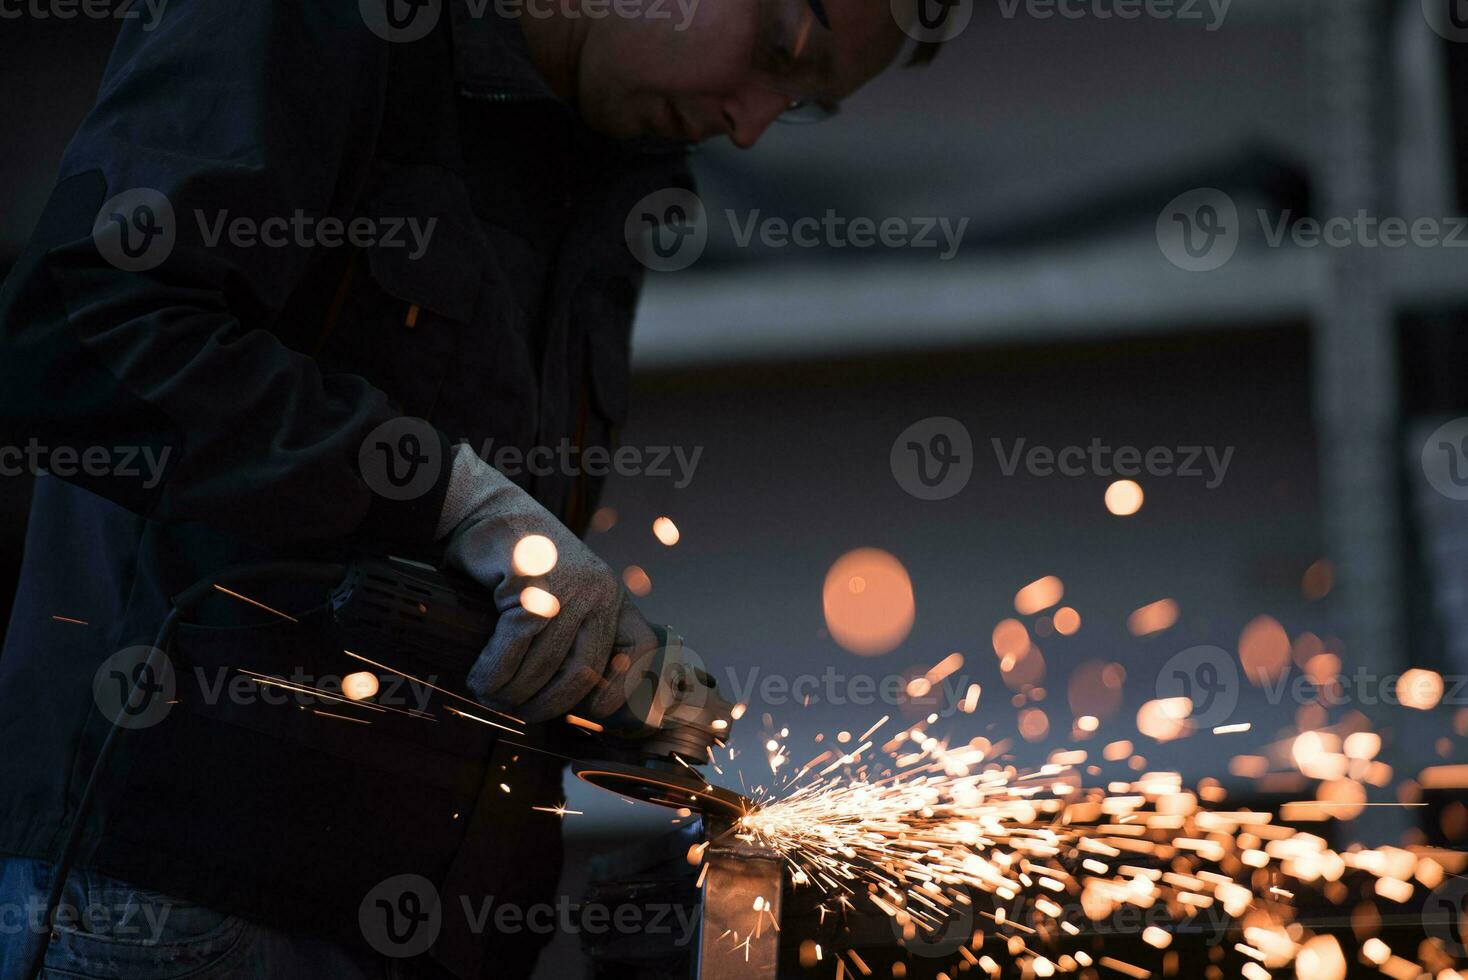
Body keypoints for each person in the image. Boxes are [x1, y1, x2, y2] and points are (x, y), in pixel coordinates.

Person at [0, 0, 926, 975]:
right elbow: (75, 335)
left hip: (436, 930)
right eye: (779, 53)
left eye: (802, 105)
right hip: (184, 895)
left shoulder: (614, 159)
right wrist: (446, 492)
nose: (749, 123)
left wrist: (596, 662)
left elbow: (474, 555)